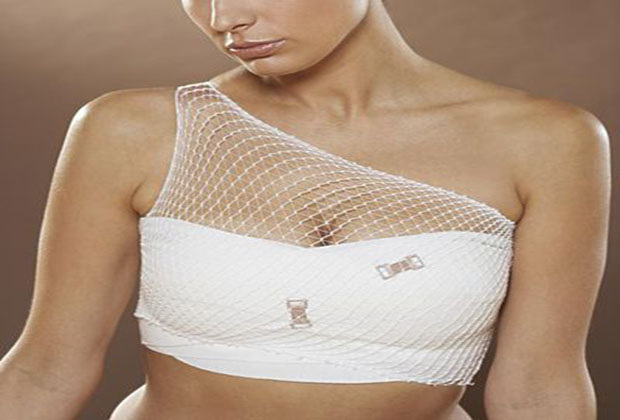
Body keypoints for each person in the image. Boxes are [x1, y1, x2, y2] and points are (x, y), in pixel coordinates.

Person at [0, 1, 610, 419]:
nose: (224, 18)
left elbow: (538, 389)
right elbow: (45, 370)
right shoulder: (132, 129)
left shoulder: (548, 142)